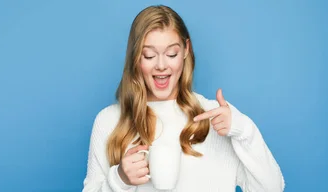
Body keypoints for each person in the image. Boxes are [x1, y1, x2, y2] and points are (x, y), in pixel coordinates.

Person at [82, 5, 284, 192]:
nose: (161, 65)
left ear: (186, 50)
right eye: (149, 55)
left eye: (171, 53)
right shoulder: (110, 121)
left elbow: (272, 188)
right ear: (135, 58)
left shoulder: (216, 118)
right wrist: (119, 179)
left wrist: (244, 131)